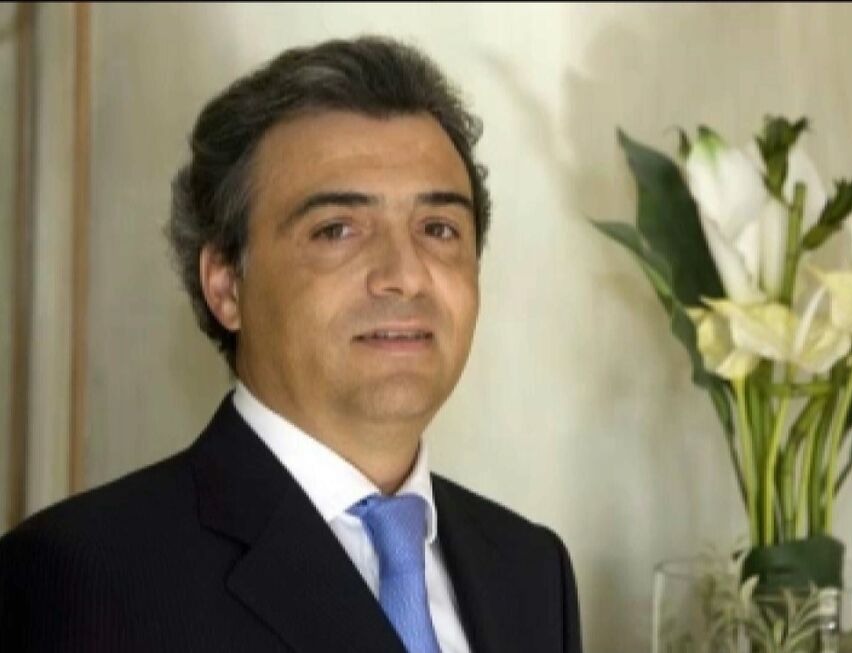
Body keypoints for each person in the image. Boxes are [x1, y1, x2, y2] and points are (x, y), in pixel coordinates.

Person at [0, 36, 582, 653]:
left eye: (438, 229)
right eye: (337, 230)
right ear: (226, 284)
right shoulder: (80, 578)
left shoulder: (529, 571)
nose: (405, 275)